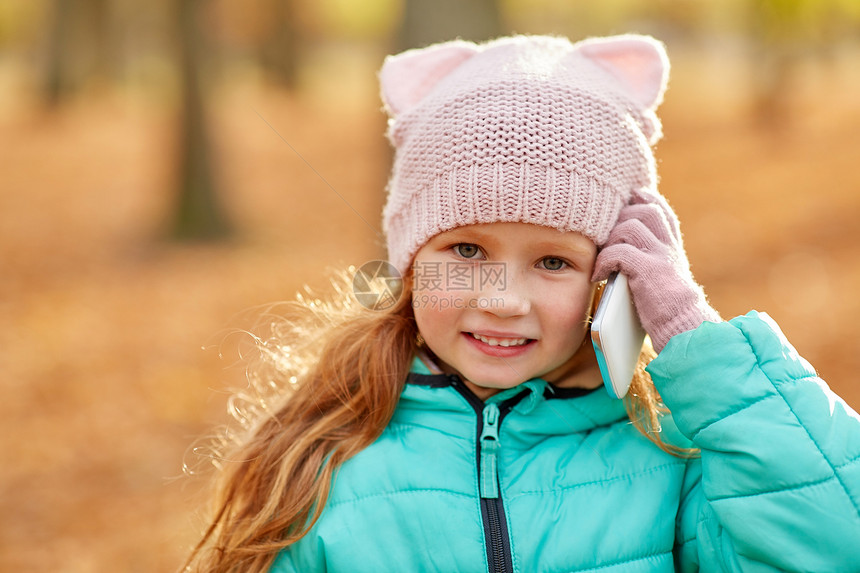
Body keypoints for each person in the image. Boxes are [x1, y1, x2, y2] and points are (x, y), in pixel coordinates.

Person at [182, 35, 860, 573]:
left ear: (612, 281)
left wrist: (690, 333)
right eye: (467, 252)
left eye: (553, 261)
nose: (502, 299)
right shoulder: (326, 463)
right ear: (411, 266)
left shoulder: (671, 457)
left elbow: (835, 542)